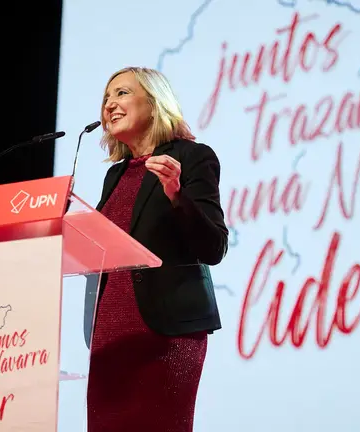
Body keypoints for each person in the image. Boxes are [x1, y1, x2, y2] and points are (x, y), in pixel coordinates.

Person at [82, 66, 228, 431]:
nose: (109, 105)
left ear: (155, 102)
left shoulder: (192, 157)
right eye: (106, 98)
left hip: (166, 333)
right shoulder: (116, 174)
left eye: (122, 93)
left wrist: (177, 194)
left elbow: (213, 246)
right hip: (111, 336)